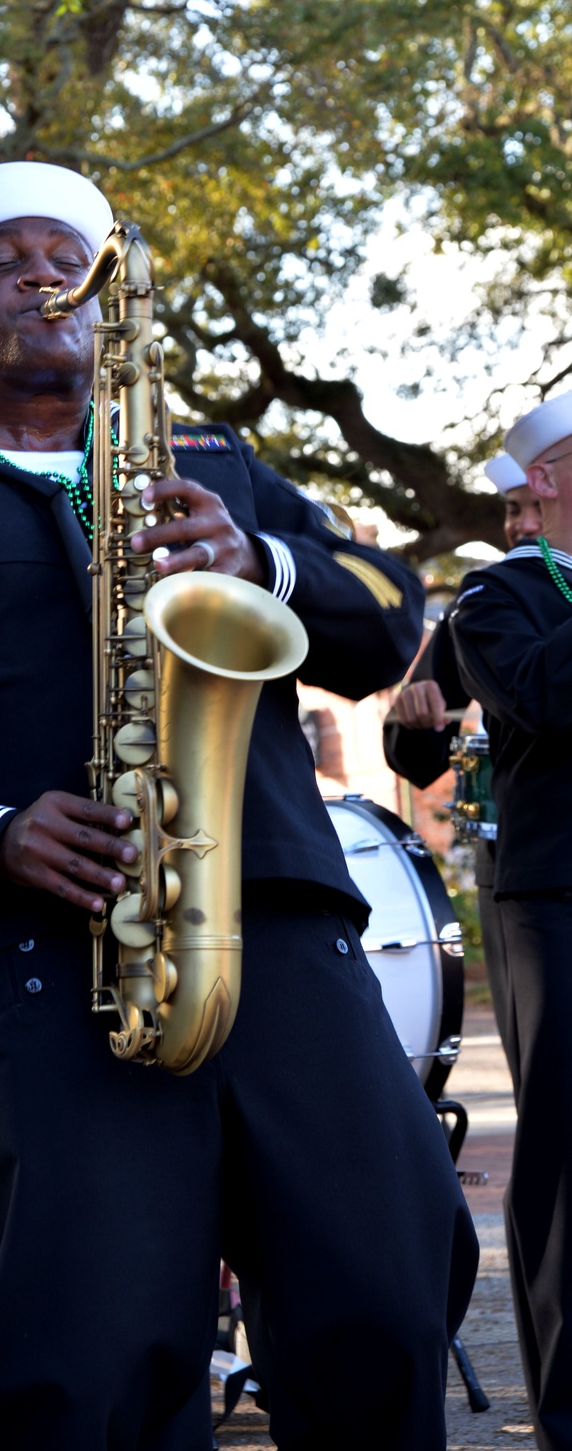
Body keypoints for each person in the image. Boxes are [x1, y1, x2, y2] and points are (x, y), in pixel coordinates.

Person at [0, 162, 478, 1451]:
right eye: (2, 259)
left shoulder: (214, 466)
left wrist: (267, 562)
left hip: (284, 942)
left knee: (387, 1288)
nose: (43, 273)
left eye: (64, 253)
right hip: (34, 970)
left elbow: (387, 619)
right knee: (81, 1371)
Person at [451, 392, 572, 1451]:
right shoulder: (498, 596)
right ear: (542, 481)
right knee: (570, 1152)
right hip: (557, 897)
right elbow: (542, 697)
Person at [383, 452, 542, 1066]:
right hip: (523, 864)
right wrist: (413, 715)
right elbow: (413, 754)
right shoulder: (486, 602)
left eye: (536, 507)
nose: (524, 524)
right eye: (512, 510)